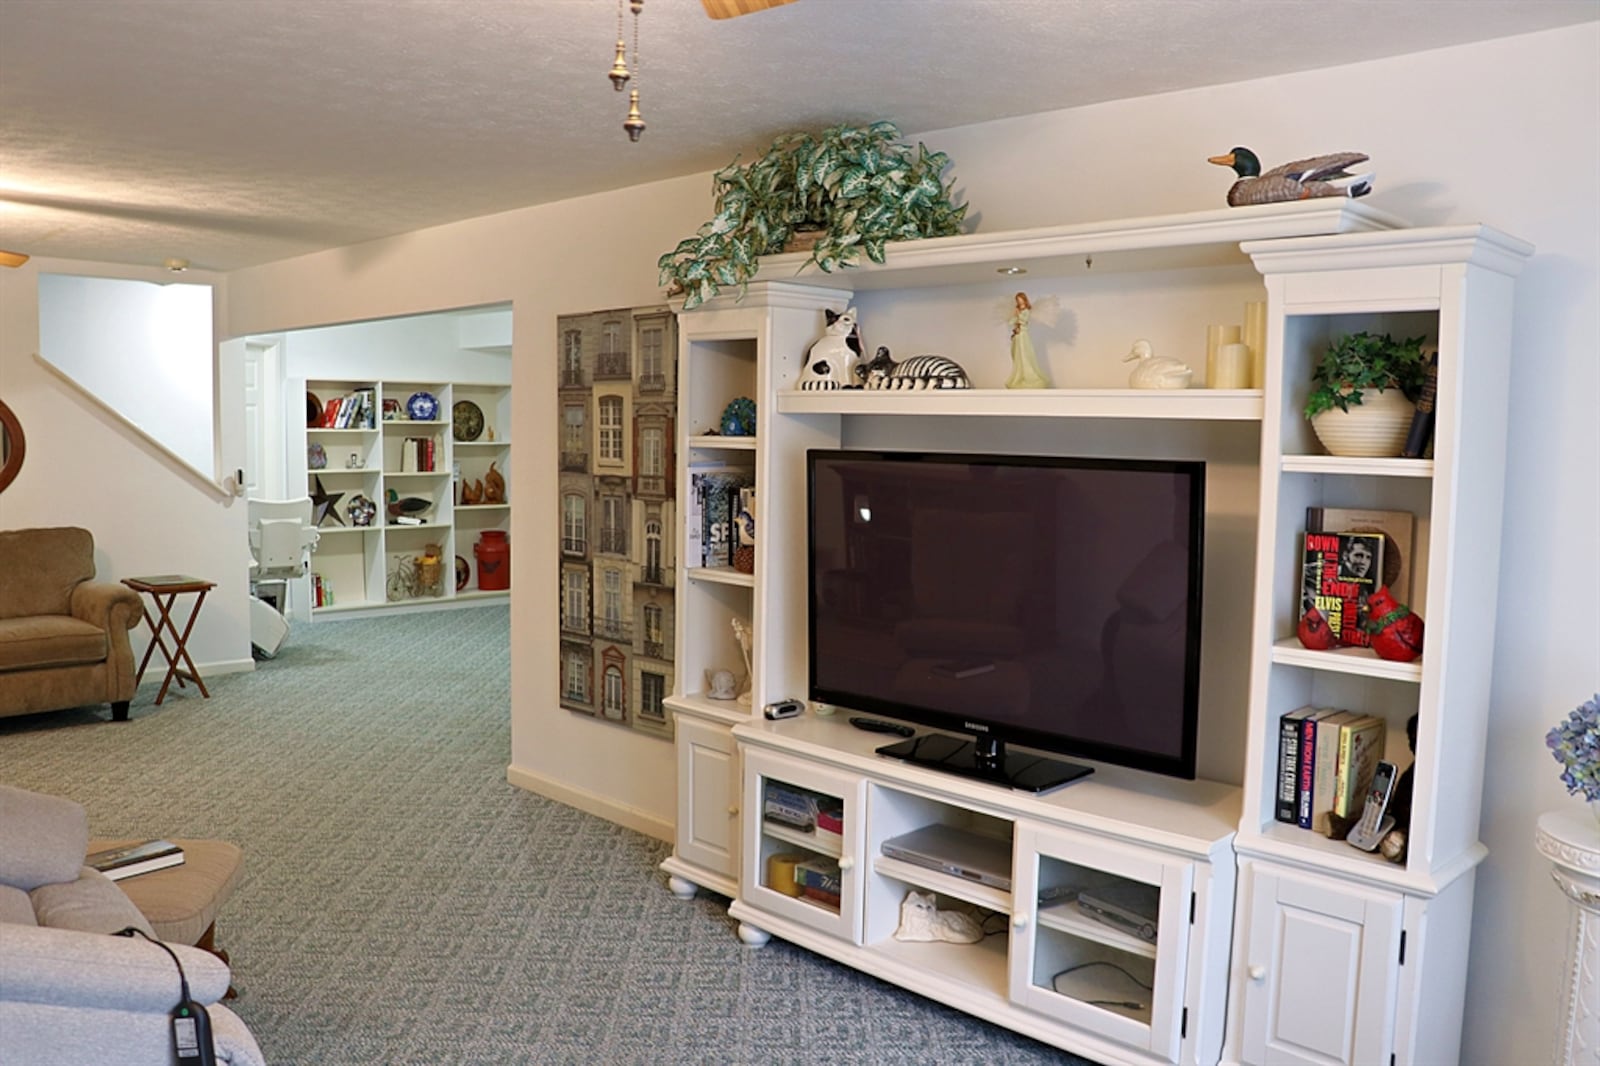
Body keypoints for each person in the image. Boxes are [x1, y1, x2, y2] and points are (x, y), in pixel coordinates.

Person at [1005, 292, 1049, 389]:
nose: (1019, 301)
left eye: (1020, 299)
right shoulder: (1017, 310)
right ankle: (1020, 376)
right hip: (1018, 336)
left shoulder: (1026, 311)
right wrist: (1014, 316)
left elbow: (1024, 320)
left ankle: (1029, 376)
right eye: (1017, 300)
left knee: (1025, 355)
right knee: (1018, 356)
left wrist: (1018, 315)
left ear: (1024, 299)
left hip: (1023, 335)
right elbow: (1011, 321)